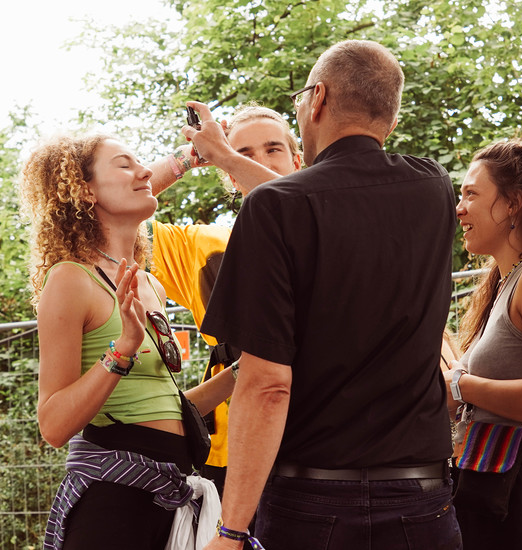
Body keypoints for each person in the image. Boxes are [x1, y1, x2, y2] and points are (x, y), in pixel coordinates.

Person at [185, 39, 461, 550]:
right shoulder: (434, 186)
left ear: (317, 99)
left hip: (312, 507)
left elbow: (267, 385)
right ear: (391, 118)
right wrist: (225, 157)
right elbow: (321, 200)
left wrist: (231, 530)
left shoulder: (274, 208)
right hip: (425, 501)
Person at [19, 133, 236, 550]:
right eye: (124, 164)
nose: (142, 173)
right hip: (112, 503)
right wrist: (123, 349)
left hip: (167, 500)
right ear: (84, 190)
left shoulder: (149, 283)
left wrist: (244, 372)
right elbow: (54, 424)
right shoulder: (70, 279)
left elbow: (164, 411)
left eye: (142, 164)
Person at [146, 105, 301, 495]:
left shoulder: (337, 225)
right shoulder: (205, 244)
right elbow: (106, 217)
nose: (260, 161)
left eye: (272, 149)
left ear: (297, 160)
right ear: (229, 174)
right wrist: (191, 157)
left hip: (322, 442)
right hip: (232, 451)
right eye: (244, 154)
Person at [445, 139, 522, 550]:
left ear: (512, 204)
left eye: (472, 193)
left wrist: (461, 385)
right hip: (496, 485)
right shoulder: (507, 282)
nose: (459, 208)